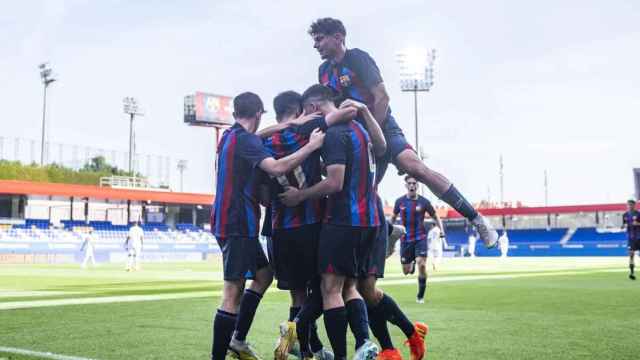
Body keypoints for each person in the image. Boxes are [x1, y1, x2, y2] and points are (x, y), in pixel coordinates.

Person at [308, 17, 498, 249]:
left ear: (338, 37)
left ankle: (476, 219)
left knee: (416, 168)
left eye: (319, 40)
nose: (315, 46)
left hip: (383, 127)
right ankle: (389, 231)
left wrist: (372, 133)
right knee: (358, 191)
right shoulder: (324, 71)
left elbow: (382, 97)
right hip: (356, 136)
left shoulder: (357, 58)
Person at [209, 92, 325, 360]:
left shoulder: (229, 136)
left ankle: (237, 340)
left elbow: (258, 138)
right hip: (238, 221)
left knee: (263, 275)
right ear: (259, 113)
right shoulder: (247, 141)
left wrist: (286, 126)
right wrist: (310, 146)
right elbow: (275, 168)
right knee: (232, 292)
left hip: (230, 221)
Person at [280, 84, 382, 360]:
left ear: (313, 109)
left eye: (306, 114)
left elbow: (335, 183)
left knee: (330, 289)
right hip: (370, 220)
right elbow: (381, 148)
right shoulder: (360, 127)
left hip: (343, 220)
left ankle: (339, 355)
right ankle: (363, 343)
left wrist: (301, 195)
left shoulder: (335, 133)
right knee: (350, 286)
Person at [263, 90, 351, 360]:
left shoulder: (262, 143)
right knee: (324, 291)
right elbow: (345, 113)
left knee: (297, 296)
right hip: (311, 224)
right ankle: (298, 346)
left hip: (279, 228)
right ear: (299, 110)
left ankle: (297, 348)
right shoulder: (308, 131)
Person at [391, 176, 444, 304]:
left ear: (417, 186)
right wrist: (388, 232)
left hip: (420, 237)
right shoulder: (399, 202)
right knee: (406, 271)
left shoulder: (424, 202)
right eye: (409, 183)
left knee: (422, 264)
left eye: (414, 183)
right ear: (406, 186)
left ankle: (420, 296)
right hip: (405, 239)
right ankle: (412, 264)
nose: (412, 186)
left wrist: (441, 230)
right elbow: (393, 217)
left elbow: (435, 215)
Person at [622, 199, 640, 280]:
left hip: (639, 237)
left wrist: (638, 223)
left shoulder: (638, 214)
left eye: (631, 204)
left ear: (634, 205)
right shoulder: (625, 215)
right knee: (631, 255)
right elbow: (624, 224)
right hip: (631, 238)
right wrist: (623, 226)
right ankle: (631, 273)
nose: (629, 206)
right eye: (628, 204)